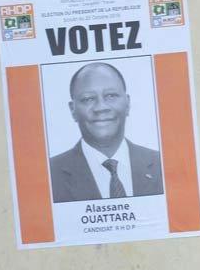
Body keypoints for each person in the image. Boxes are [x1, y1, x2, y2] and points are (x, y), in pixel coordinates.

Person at [49, 62, 163, 203]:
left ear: (127, 103)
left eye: (111, 96)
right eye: (88, 99)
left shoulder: (162, 165)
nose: (101, 107)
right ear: (73, 109)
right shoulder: (49, 174)